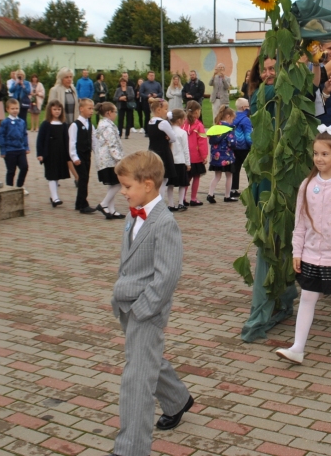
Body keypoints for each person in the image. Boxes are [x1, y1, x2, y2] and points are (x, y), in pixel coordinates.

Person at [109, 151, 194, 456]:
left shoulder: (164, 224)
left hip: (147, 311)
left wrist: (145, 310)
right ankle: (177, 399)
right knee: (147, 360)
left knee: (136, 382)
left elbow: (168, 274)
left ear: (147, 184)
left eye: (127, 186)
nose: (123, 191)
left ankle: (130, 449)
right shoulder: (136, 211)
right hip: (128, 306)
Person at [275, 130, 331, 364]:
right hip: (311, 254)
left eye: (325, 153)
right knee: (307, 297)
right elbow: (300, 221)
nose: (319, 158)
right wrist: (298, 251)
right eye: (316, 153)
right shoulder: (307, 184)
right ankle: (297, 347)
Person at [92, 102, 126, 219]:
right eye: (115, 112)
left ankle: (111, 210)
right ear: (108, 113)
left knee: (112, 184)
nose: (116, 114)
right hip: (109, 160)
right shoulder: (107, 127)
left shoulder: (104, 124)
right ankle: (104, 204)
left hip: (105, 160)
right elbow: (112, 144)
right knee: (119, 183)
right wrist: (120, 159)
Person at [36, 100, 72, 208]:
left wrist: (68, 154)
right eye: (55, 109)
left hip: (60, 152)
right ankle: (55, 197)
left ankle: (53, 196)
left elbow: (66, 139)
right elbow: (40, 140)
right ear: (50, 110)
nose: (57, 112)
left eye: (59, 109)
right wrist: (40, 153)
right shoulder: (46, 124)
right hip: (49, 152)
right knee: (51, 174)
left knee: (57, 175)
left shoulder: (64, 124)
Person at [69, 98, 97, 213]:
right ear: (81, 109)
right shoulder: (75, 125)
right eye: (89, 108)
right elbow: (72, 142)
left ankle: (79, 202)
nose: (91, 111)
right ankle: (83, 204)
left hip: (87, 155)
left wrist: (97, 153)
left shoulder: (90, 125)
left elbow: (94, 140)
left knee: (84, 179)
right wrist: (74, 157)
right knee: (83, 178)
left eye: (92, 109)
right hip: (79, 156)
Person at [206, 106, 237, 204]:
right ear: (228, 117)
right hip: (227, 157)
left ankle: (210, 194)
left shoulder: (214, 128)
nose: (232, 121)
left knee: (217, 176)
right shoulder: (228, 129)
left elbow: (211, 141)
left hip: (216, 157)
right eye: (232, 119)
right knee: (229, 176)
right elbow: (232, 143)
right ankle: (227, 196)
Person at [146, 99, 177, 192]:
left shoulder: (150, 121)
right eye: (165, 109)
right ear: (158, 110)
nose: (167, 111)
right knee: (164, 179)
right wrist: (168, 138)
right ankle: (159, 201)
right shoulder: (163, 123)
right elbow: (174, 138)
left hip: (152, 150)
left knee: (156, 178)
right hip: (163, 152)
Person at [0, 99, 29, 191]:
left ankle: (20, 186)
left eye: (17, 108)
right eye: (12, 108)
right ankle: (9, 188)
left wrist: (26, 147)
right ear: (7, 109)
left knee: (24, 167)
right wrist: (3, 150)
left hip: (20, 149)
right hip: (9, 150)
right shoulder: (5, 122)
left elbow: (24, 134)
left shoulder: (22, 122)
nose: (15, 110)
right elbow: (1, 136)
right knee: (11, 171)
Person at [184, 101, 208, 207]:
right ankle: (193, 198)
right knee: (196, 177)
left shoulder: (183, 124)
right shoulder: (199, 125)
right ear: (197, 111)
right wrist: (204, 156)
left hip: (186, 156)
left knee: (187, 177)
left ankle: (182, 198)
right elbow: (202, 142)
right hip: (196, 156)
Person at [167, 109, 191, 211]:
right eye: (184, 119)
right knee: (182, 183)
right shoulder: (182, 132)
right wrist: (188, 163)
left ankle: (171, 203)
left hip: (170, 161)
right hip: (180, 161)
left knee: (170, 184)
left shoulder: (168, 131)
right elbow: (186, 149)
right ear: (179, 120)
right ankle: (181, 202)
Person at [230, 98, 253, 198]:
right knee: (249, 169)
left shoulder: (232, 118)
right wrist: (252, 146)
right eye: (248, 106)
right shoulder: (246, 120)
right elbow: (248, 136)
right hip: (244, 148)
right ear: (244, 108)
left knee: (235, 168)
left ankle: (233, 189)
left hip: (234, 147)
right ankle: (252, 189)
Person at [114, 74, 137, 139]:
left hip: (128, 106)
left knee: (128, 120)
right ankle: (120, 133)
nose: (123, 83)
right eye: (122, 82)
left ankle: (127, 134)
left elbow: (132, 95)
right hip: (121, 106)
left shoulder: (130, 88)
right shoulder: (118, 89)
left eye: (124, 82)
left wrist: (126, 97)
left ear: (126, 83)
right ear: (120, 83)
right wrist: (120, 98)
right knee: (120, 120)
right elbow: (114, 98)